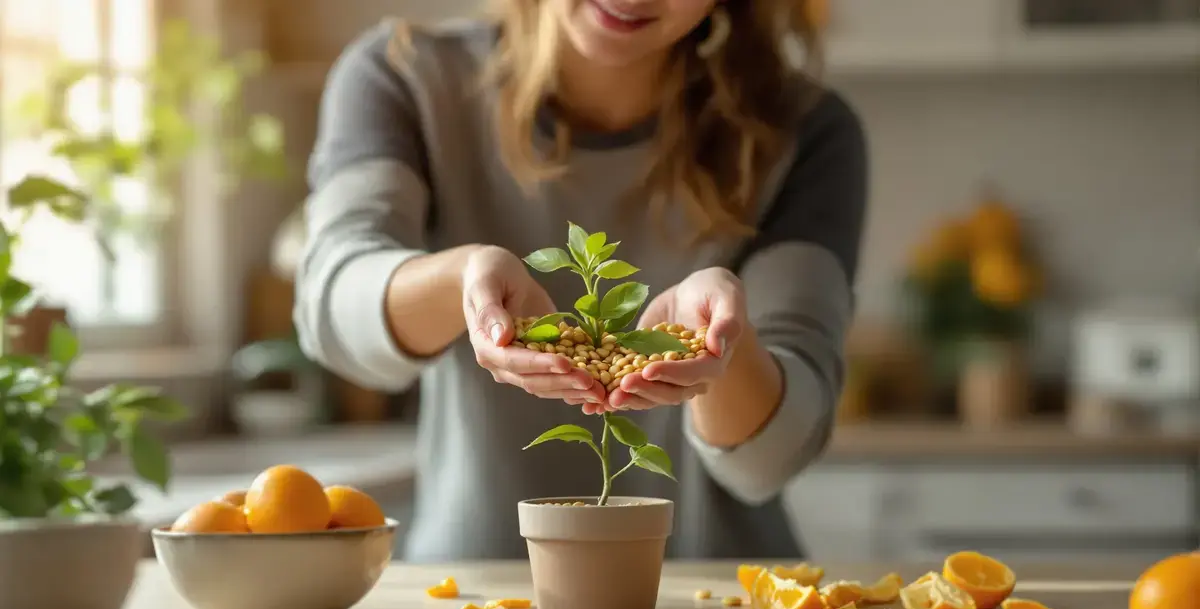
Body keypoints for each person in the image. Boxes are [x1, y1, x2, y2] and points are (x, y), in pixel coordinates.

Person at [295, 0, 867, 562]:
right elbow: (333, 309)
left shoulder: (807, 132)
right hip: (475, 605)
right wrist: (461, 281)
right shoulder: (404, 75)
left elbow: (773, 457)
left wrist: (725, 345)